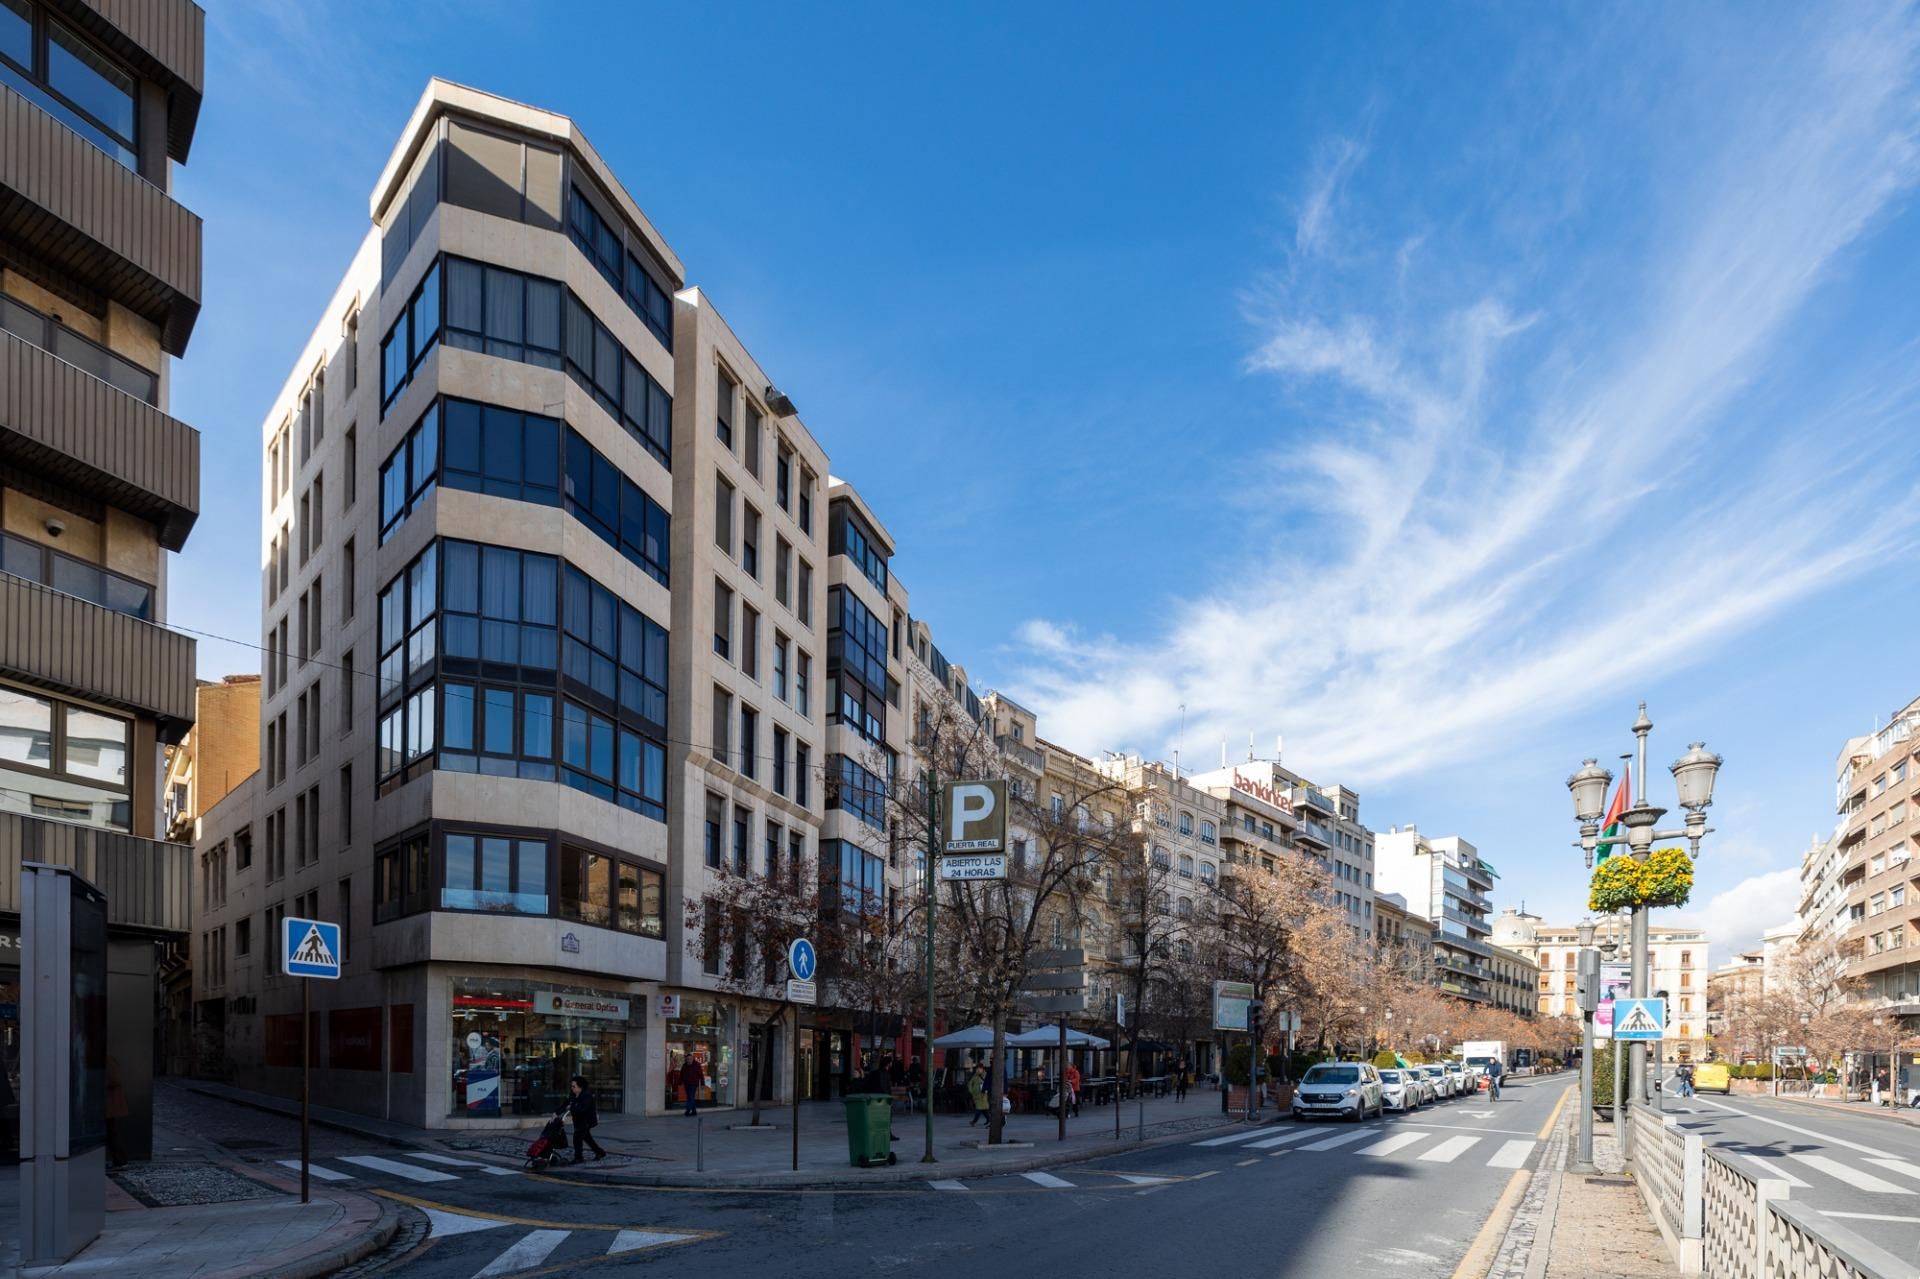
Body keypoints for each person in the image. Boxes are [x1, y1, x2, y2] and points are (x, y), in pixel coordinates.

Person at [565, 1075, 606, 1162]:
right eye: (571, 1086)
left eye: (574, 1086)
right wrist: (556, 1113)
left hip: (586, 1121)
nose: (572, 1088)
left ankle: (578, 1157)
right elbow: (566, 1104)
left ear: (580, 1087)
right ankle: (600, 1152)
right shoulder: (573, 1094)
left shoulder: (587, 1096)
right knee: (587, 1138)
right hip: (579, 1121)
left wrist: (571, 1107)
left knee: (577, 1138)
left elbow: (582, 1109)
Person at [105, 1055, 129, 1170]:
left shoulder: (108, 1059)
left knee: (111, 1132)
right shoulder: (108, 1059)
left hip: (109, 1103)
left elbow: (115, 1079)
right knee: (110, 1132)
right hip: (108, 1103)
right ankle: (120, 1161)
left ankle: (121, 1161)